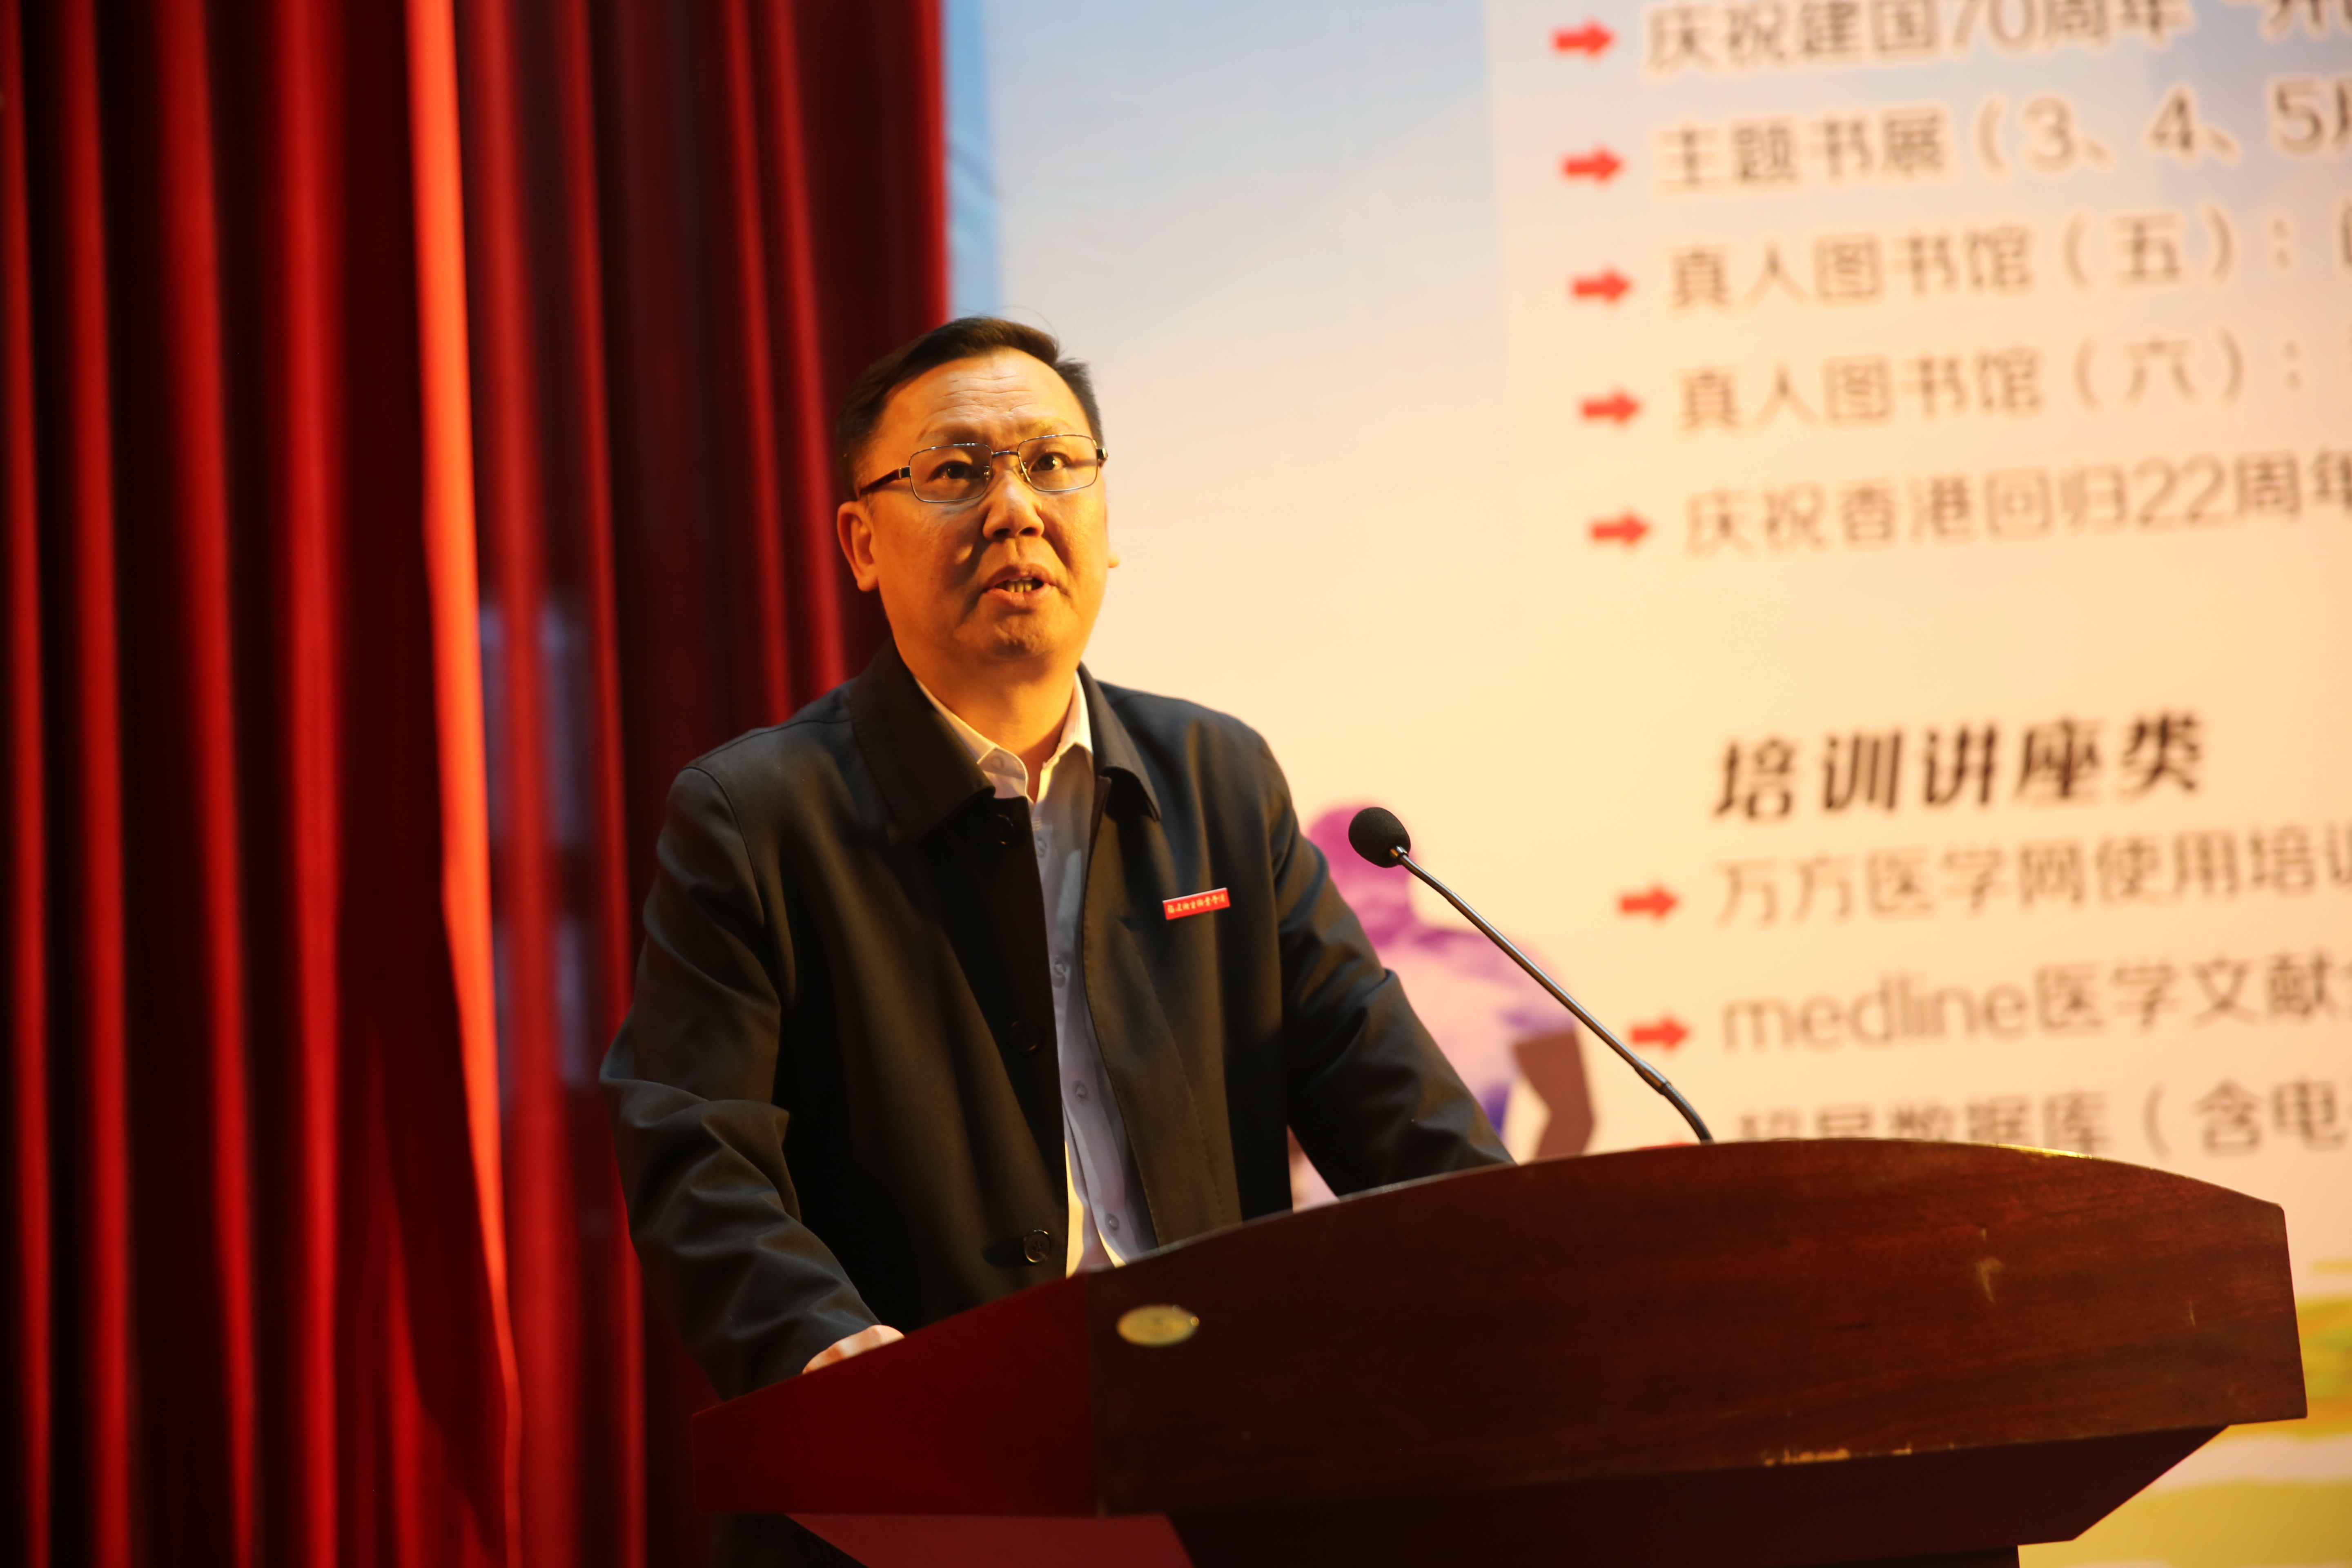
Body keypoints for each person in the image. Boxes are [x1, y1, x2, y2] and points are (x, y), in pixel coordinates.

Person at [599, 317, 1508, 1561]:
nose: (1016, 509)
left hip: (1216, 1463)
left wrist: (1528, 1279)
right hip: (921, 1494)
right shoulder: (756, 818)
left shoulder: (1216, 779)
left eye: (1053, 463)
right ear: (861, 544)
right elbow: (695, 1152)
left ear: (1106, 519)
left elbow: (1385, 1098)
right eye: (956, 471)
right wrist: (847, 1365)